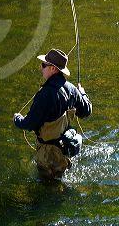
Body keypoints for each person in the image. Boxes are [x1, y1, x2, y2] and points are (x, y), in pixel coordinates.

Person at [13, 48, 92, 179]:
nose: (41, 67)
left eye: (44, 65)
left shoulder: (45, 94)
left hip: (48, 155)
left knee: (47, 184)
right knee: (59, 180)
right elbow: (86, 111)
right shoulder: (72, 89)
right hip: (64, 149)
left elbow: (29, 124)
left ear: (53, 69)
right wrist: (82, 93)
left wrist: (17, 119)